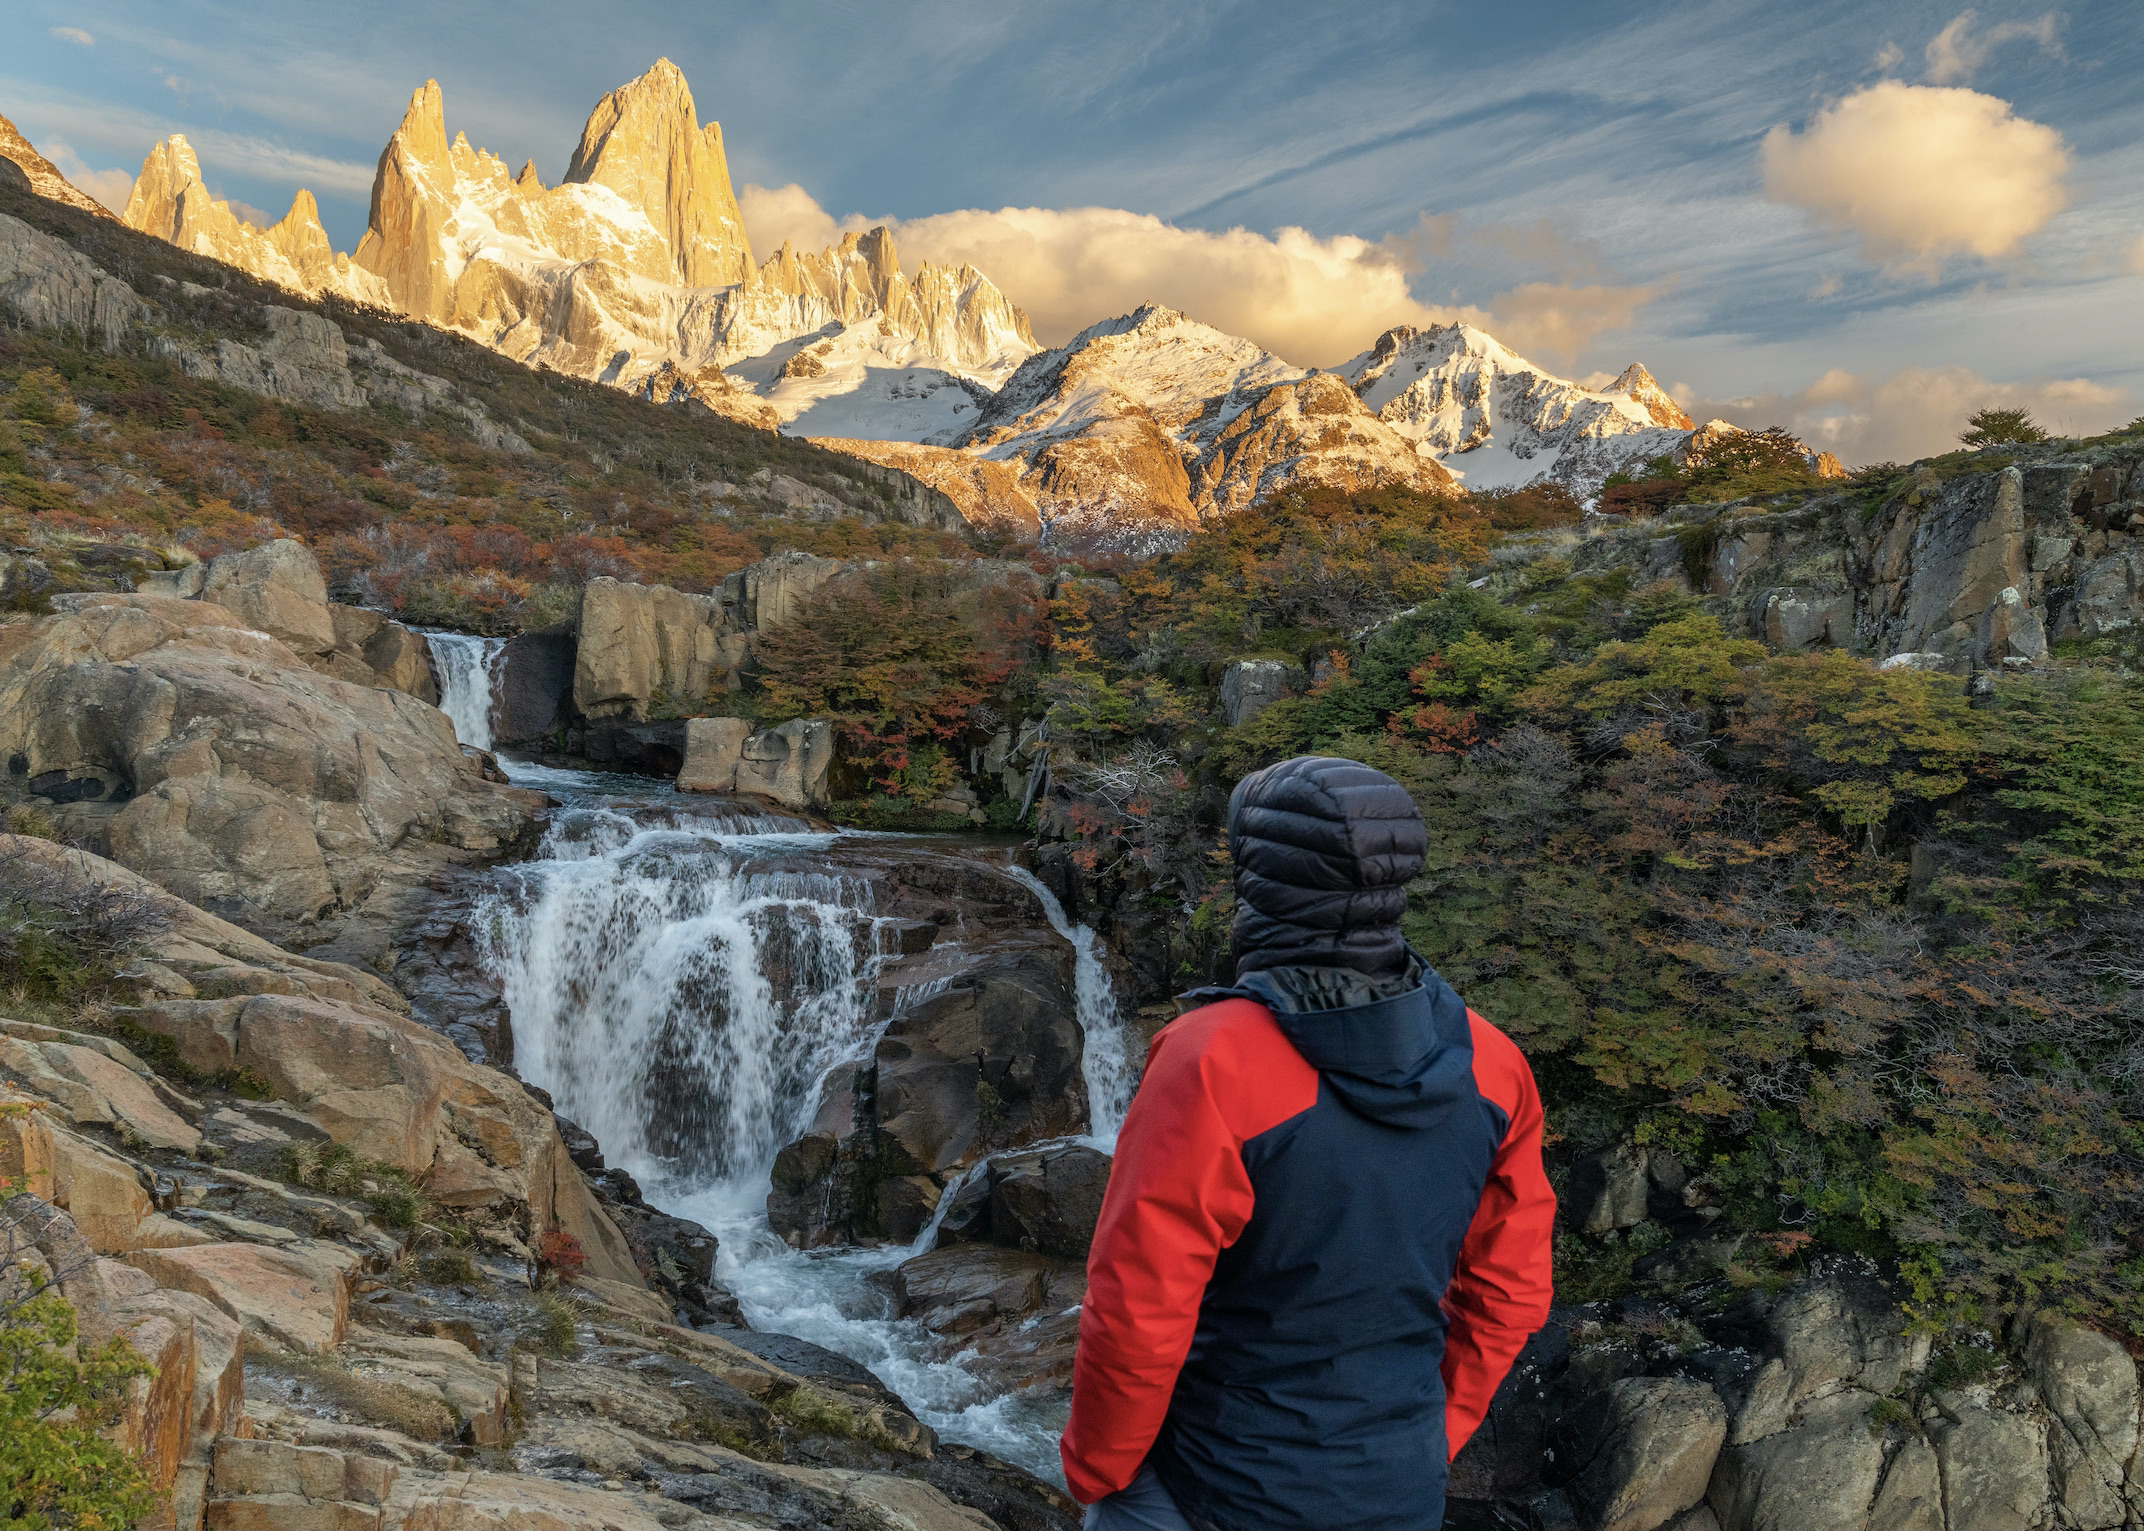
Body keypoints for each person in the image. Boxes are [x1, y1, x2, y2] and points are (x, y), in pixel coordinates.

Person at [1061, 755, 1556, 1531]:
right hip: (1398, 1490)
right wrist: (1435, 1437)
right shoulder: (1494, 1063)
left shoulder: (1210, 1060)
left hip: (1216, 1489)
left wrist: (1098, 1468)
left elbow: (1137, 1313)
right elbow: (1511, 1293)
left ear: (1261, 882)